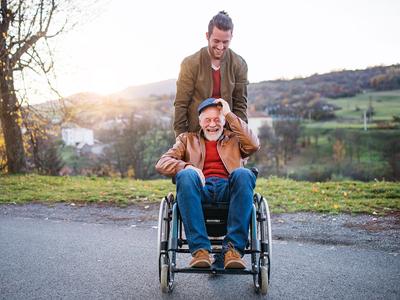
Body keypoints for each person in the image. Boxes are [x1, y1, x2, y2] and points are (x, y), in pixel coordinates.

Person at [156, 97, 259, 269]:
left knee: (244, 173)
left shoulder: (235, 139)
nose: (212, 124)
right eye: (207, 120)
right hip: (199, 188)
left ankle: (232, 251)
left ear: (224, 121)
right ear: (200, 122)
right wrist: (187, 166)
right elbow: (162, 163)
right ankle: (200, 251)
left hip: (229, 188)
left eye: (217, 119)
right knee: (185, 175)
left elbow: (254, 145)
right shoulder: (186, 139)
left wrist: (229, 114)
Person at [173, 11, 249, 137]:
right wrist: (181, 139)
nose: (220, 47)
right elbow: (181, 104)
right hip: (197, 133)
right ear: (207, 36)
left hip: (227, 136)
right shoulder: (190, 63)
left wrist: (241, 138)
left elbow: (240, 104)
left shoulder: (239, 64)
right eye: (216, 41)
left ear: (231, 38)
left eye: (225, 42)